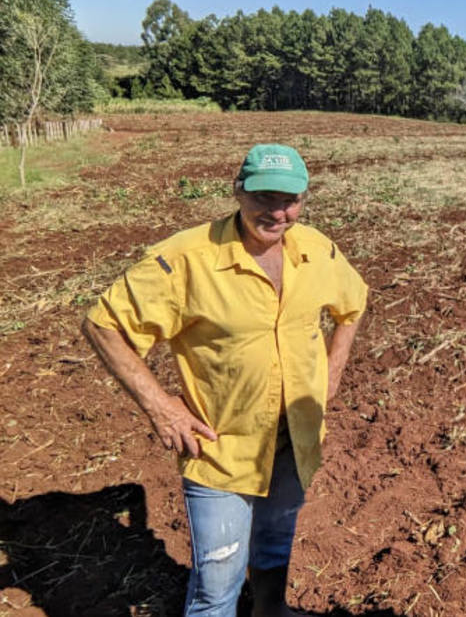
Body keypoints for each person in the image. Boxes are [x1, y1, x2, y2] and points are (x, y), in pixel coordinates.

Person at [82, 144, 368, 617]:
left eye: (290, 200)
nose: (278, 212)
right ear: (237, 191)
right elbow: (102, 325)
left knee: (275, 541)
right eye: (264, 197)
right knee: (216, 584)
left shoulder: (316, 250)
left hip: (294, 439)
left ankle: (270, 612)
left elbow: (353, 303)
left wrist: (333, 368)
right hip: (221, 449)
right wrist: (161, 407)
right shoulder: (187, 259)